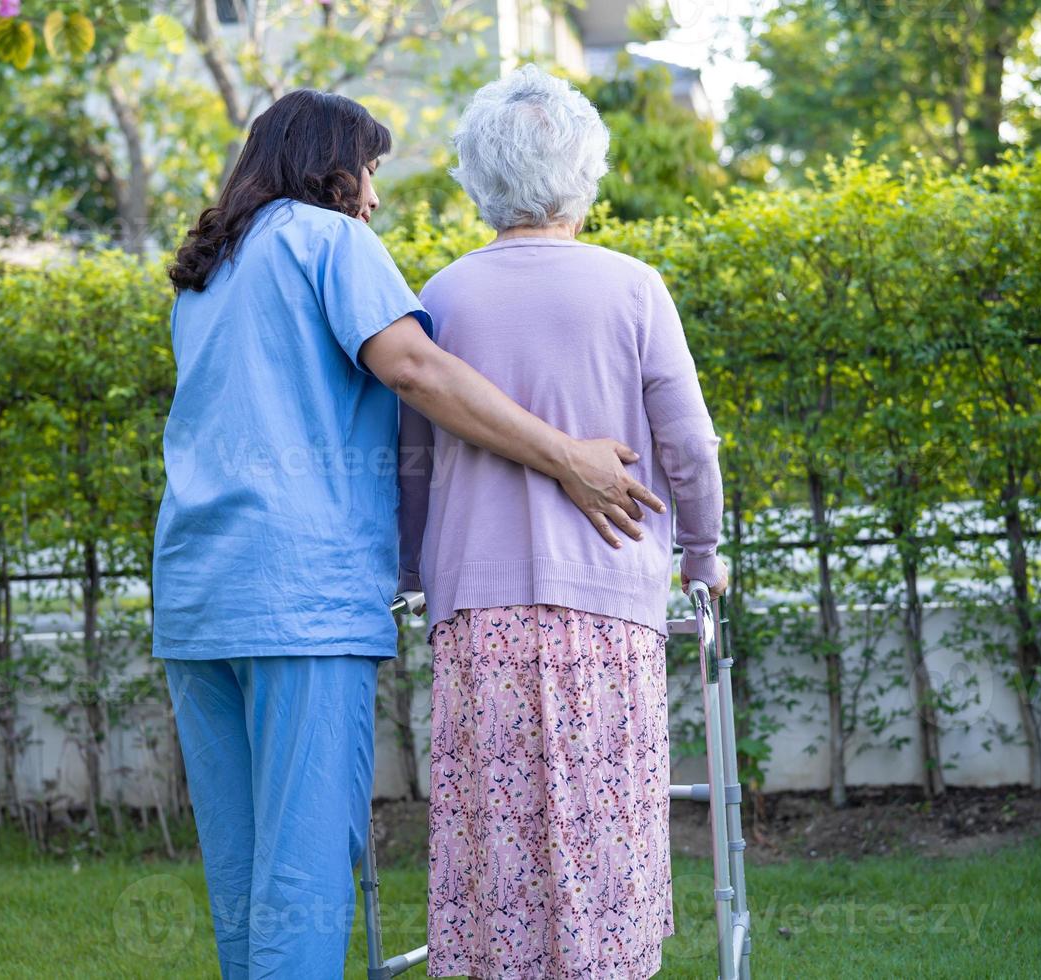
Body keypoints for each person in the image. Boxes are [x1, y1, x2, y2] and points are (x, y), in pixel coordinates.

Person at [152, 88, 664, 979]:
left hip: (197, 603)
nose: (376, 198)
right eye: (372, 171)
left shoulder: (209, 275)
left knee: (243, 888)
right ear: (328, 167)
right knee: (306, 881)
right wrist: (566, 456)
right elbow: (418, 369)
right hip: (297, 603)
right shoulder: (328, 239)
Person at [397, 65, 728, 980]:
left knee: (495, 835)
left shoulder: (445, 293)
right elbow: (690, 444)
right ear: (588, 171)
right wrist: (702, 551)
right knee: (601, 821)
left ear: (478, 178)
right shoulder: (632, 287)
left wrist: (412, 571)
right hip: (608, 606)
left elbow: (412, 458)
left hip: (480, 609)